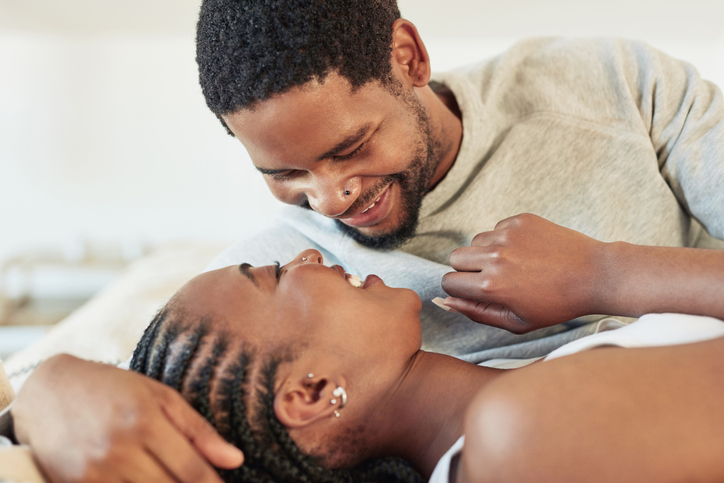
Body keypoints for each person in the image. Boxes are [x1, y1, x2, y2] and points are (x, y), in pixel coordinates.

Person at [6, 0, 724, 479]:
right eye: (285, 172)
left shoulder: (606, 85)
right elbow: (170, 371)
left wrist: (606, 272)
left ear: (408, 57)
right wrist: (46, 388)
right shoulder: (270, 272)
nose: (328, 203)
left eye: (351, 147)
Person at [16, 248, 724, 482]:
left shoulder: (531, 391)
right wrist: (609, 271)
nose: (310, 255)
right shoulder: (522, 435)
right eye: (276, 276)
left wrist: (37, 389)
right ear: (312, 390)